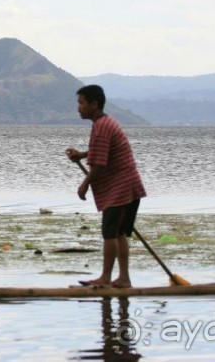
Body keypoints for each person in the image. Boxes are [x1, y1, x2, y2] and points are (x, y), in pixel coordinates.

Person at [66, 84, 146, 288]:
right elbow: (98, 151)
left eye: (81, 103)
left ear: (94, 104)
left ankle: (106, 278)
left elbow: (100, 164)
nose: (79, 108)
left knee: (110, 232)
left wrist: (84, 184)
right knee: (117, 233)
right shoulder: (103, 124)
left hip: (122, 187)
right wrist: (82, 155)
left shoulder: (102, 127)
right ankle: (123, 278)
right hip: (125, 186)